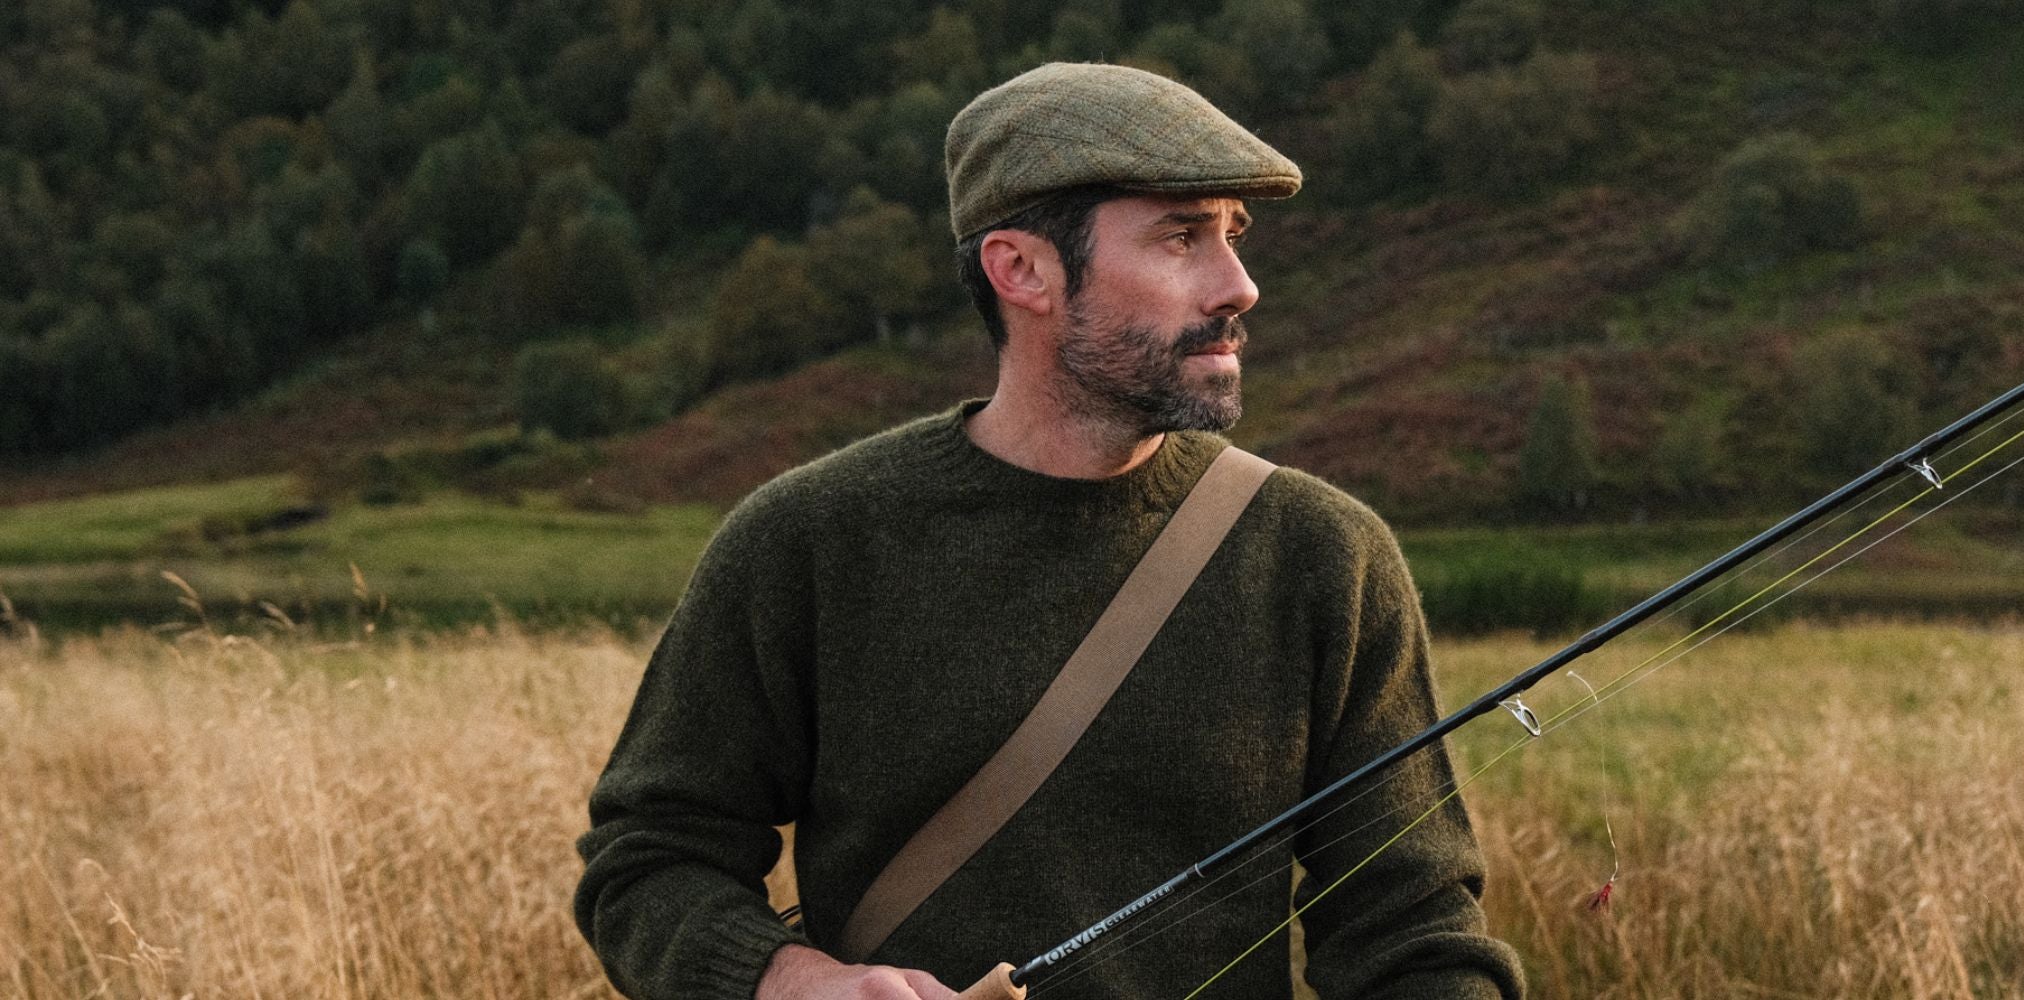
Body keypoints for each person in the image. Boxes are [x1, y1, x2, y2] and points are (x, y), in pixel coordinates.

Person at [574, 62, 1525, 1000]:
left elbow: (1415, 937)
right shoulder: (810, 542)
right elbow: (650, 858)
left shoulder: (1324, 557)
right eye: (1181, 239)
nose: (1239, 286)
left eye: (1235, 236)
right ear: (1020, 269)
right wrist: (790, 981)